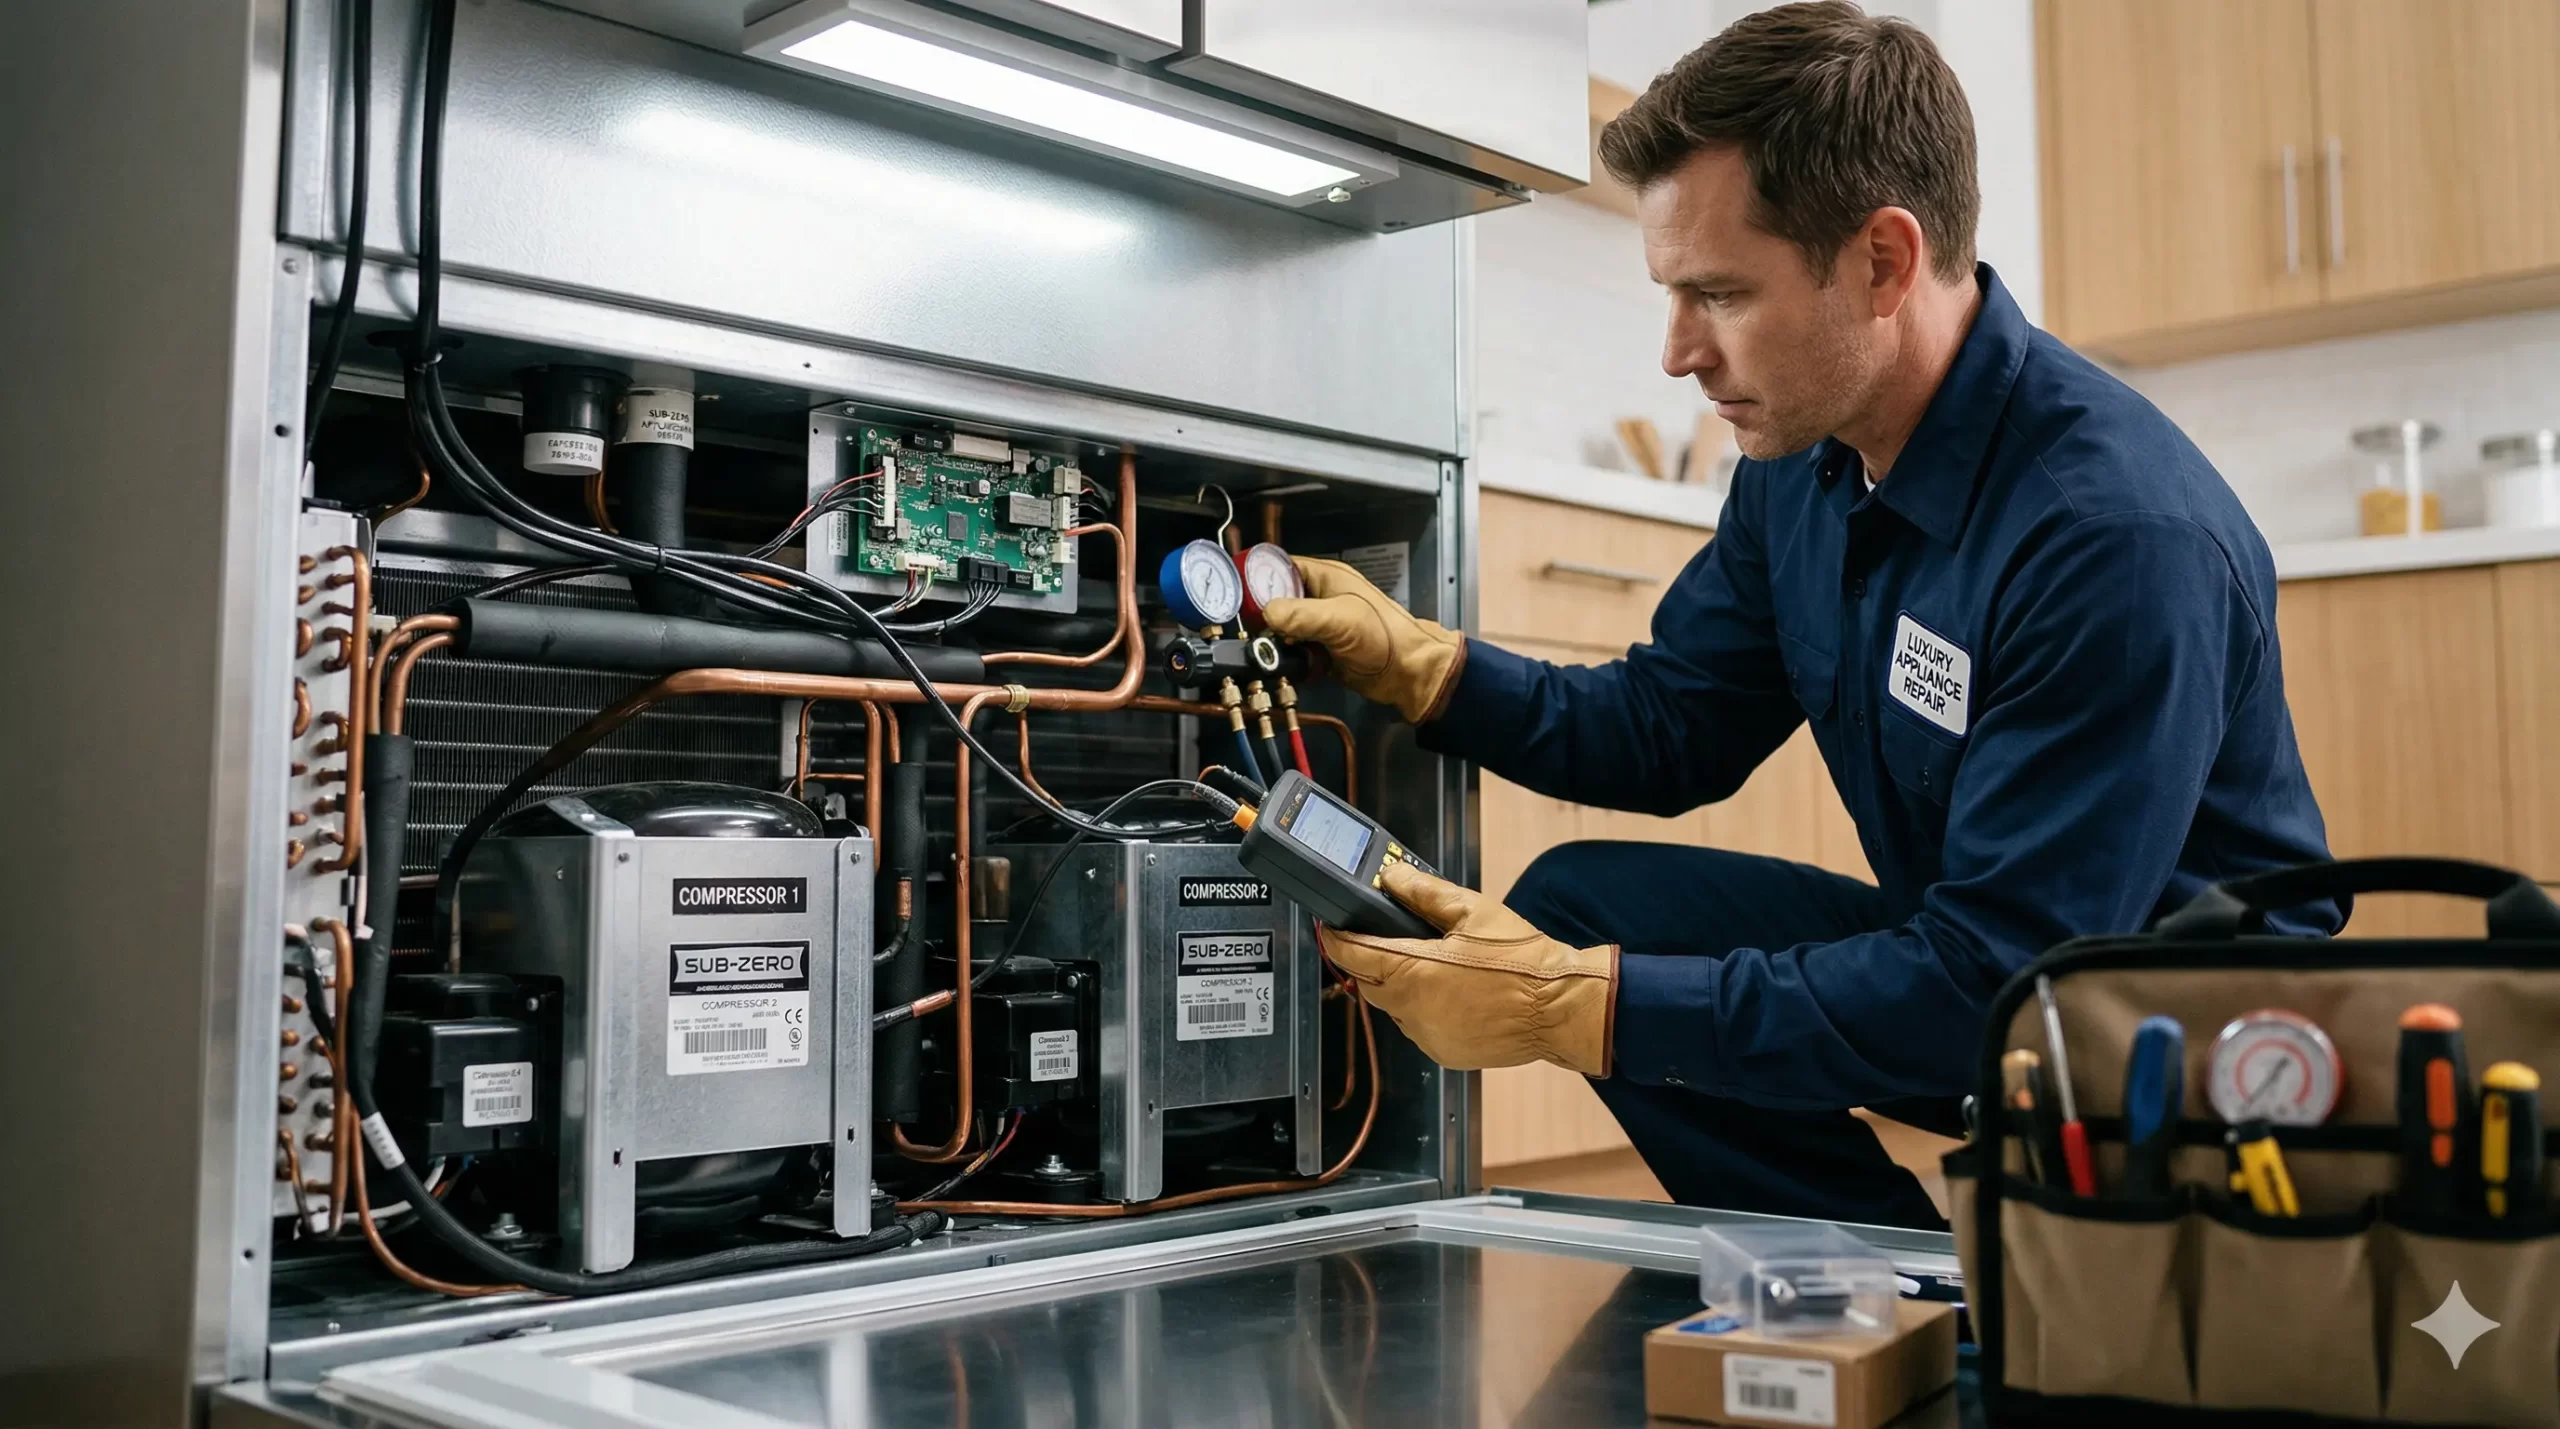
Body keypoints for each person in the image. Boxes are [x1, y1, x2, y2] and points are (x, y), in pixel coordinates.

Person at [1260, 0, 2337, 1230]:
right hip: (1990, 959)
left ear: (1881, 260)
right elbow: (1673, 729)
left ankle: (1978, 1302)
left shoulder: (2109, 538)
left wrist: (1583, 1009)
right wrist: (1425, 667)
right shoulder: (1803, 465)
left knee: (1610, 978)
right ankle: (1870, 1277)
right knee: (1584, 908)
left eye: (1717, 294)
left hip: (2170, 1058)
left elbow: (2007, 982)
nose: (1676, 354)